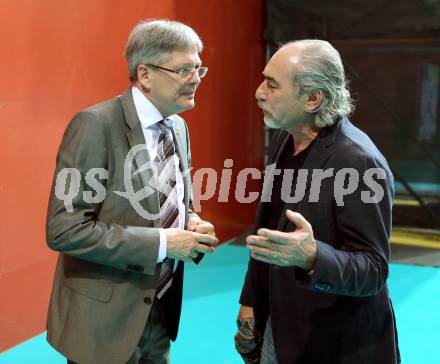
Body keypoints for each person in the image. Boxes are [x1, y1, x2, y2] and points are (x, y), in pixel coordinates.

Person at [46, 19, 218, 364]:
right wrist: (165, 243)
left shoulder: (178, 127)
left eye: (199, 68)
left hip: (160, 315)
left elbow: (173, 202)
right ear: (145, 74)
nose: (196, 78)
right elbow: (64, 230)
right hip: (103, 325)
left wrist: (193, 221)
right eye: (184, 69)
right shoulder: (94, 125)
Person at [235, 40, 400, 364]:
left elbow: (374, 269)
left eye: (272, 84)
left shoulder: (359, 163)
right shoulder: (286, 136)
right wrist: (251, 302)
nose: (258, 92)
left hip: (336, 345)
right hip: (279, 330)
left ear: (312, 99)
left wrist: (313, 256)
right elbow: (268, 230)